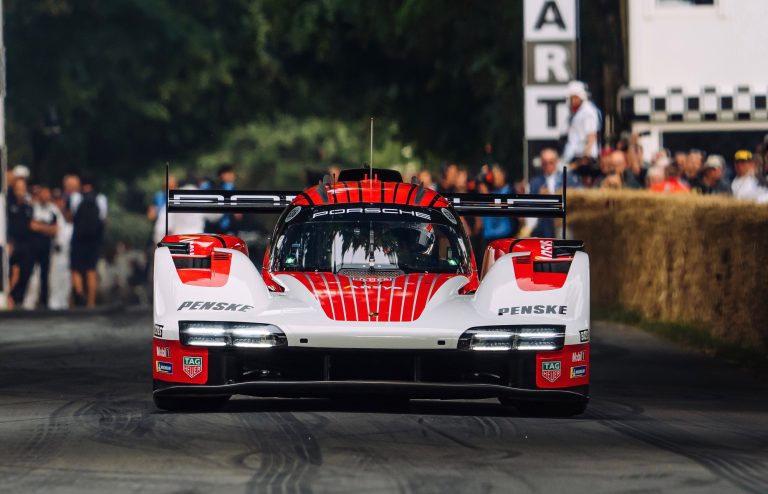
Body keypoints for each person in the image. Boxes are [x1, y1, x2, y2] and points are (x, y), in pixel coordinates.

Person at [69, 178, 108, 307]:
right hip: (94, 240)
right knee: (91, 270)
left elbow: (72, 216)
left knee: (76, 269)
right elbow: (103, 219)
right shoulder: (101, 198)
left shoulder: (75, 197)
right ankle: (91, 302)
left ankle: (80, 295)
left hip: (78, 239)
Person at [29, 186, 60, 308]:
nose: (45, 197)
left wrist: (41, 227)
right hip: (32, 246)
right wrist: (46, 228)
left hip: (46, 246)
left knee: (45, 274)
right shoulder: (33, 208)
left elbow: (55, 229)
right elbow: (32, 226)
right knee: (29, 273)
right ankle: (24, 300)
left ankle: (44, 301)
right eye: (43, 194)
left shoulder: (53, 210)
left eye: (47, 195)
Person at [7, 178, 35, 308]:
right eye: (18, 187)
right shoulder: (7, 205)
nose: (21, 190)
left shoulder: (28, 207)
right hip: (12, 243)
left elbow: (30, 225)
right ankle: (9, 296)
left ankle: (17, 298)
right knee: (10, 271)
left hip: (26, 244)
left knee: (25, 271)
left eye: (23, 187)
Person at [561, 80, 601, 169]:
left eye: (575, 97)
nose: (573, 100)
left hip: (583, 159)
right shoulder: (574, 112)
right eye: (571, 98)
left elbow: (592, 136)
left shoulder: (588, 112)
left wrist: (584, 159)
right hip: (574, 155)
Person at [529, 148, 563, 238]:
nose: (548, 165)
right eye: (545, 163)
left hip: (561, 223)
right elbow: (530, 205)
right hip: (543, 227)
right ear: (541, 164)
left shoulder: (566, 179)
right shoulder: (535, 182)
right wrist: (539, 199)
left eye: (551, 162)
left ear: (556, 162)